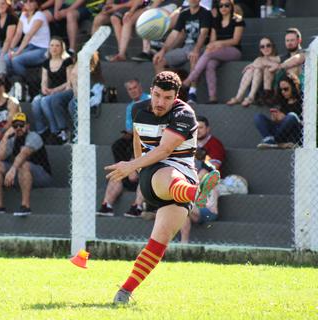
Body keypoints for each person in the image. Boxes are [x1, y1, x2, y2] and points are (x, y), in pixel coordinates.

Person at [105, 71, 220, 304]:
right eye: (157, 95)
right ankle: (196, 193)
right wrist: (137, 168)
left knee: (159, 242)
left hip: (182, 179)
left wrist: (131, 165)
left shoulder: (185, 114)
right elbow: (139, 140)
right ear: (151, 91)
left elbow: (166, 149)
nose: (160, 102)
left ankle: (124, 292)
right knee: (168, 173)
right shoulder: (139, 109)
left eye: (167, 98)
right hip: (155, 176)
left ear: (176, 97)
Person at [97, 78, 150, 218]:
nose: (133, 91)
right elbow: (129, 128)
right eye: (130, 89)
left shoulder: (150, 101)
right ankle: (106, 205)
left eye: (135, 87)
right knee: (118, 145)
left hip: (150, 141)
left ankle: (137, 206)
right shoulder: (130, 107)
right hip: (135, 138)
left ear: (140, 87)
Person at [0, 112, 52, 216]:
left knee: (23, 164)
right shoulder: (12, 139)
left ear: (27, 126)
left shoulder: (34, 136)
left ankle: (25, 206)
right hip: (21, 174)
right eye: (15, 126)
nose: (18, 128)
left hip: (42, 176)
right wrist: (6, 136)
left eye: (21, 125)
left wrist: (12, 170)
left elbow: (24, 154)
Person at [182, 0, 245, 104]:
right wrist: (214, 45)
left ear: (231, 6)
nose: (223, 8)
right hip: (218, 51)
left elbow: (235, 40)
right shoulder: (216, 21)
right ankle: (213, 97)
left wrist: (218, 44)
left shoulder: (238, 20)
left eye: (226, 5)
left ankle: (189, 80)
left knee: (208, 52)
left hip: (234, 51)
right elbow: (212, 41)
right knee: (210, 64)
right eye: (221, 6)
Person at [152, 0, 212, 104]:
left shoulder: (205, 13)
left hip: (202, 47)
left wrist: (196, 50)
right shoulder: (184, 14)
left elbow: (204, 33)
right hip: (186, 47)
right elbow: (174, 34)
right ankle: (164, 93)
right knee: (159, 61)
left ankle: (192, 94)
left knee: (194, 57)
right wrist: (162, 51)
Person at [31, 36, 73, 144]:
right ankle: (44, 132)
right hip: (51, 91)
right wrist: (44, 88)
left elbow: (69, 82)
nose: (54, 48)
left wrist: (55, 90)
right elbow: (44, 80)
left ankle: (57, 131)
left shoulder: (67, 61)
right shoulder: (46, 62)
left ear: (62, 48)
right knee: (36, 102)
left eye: (57, 46)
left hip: (63, 91)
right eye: (52, 45)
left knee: (45, 101)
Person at [226, 37, 279, 107]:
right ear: (260, 49)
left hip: (270, 93)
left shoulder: (277, 58)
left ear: (273, 46)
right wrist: (255, 65)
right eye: (262, 46)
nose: (265, 48)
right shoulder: (259, 59)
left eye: (268, 45)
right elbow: (259, 62)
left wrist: (257, 64)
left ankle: (250, 97)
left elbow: (268, 63)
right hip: (259, 91)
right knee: (251, 70)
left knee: (256, 68)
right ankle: (239, 97)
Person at [254, 73, 302, 149]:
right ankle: (270, 141)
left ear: (293, 87)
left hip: (294, 132)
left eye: (286, 89)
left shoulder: (302, 100)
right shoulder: (283, 101)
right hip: (280, 130)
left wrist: (285, 118)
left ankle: (276, 143)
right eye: (281, 90)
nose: (283, 92)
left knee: (291, 116)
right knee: (258, 117)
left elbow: (299, 121)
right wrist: (276, 119)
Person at [6, 0, 50, 78]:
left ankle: (26, 83)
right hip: (31, 46)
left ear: (37, 4)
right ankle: (13, 81)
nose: (28, 3)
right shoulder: (23, 15)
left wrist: (18, 51)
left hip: (43, 49)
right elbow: (18, 34)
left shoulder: (39, 15)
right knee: (7, 57)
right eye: (26, 1)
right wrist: (11, 49)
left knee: (16, 60)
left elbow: (29, 35)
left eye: (31, 1)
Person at [0, 76, 21, 140]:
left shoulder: (12, 102)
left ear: (2, 87)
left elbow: (11, 122)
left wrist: (0, 132)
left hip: (11, 132)